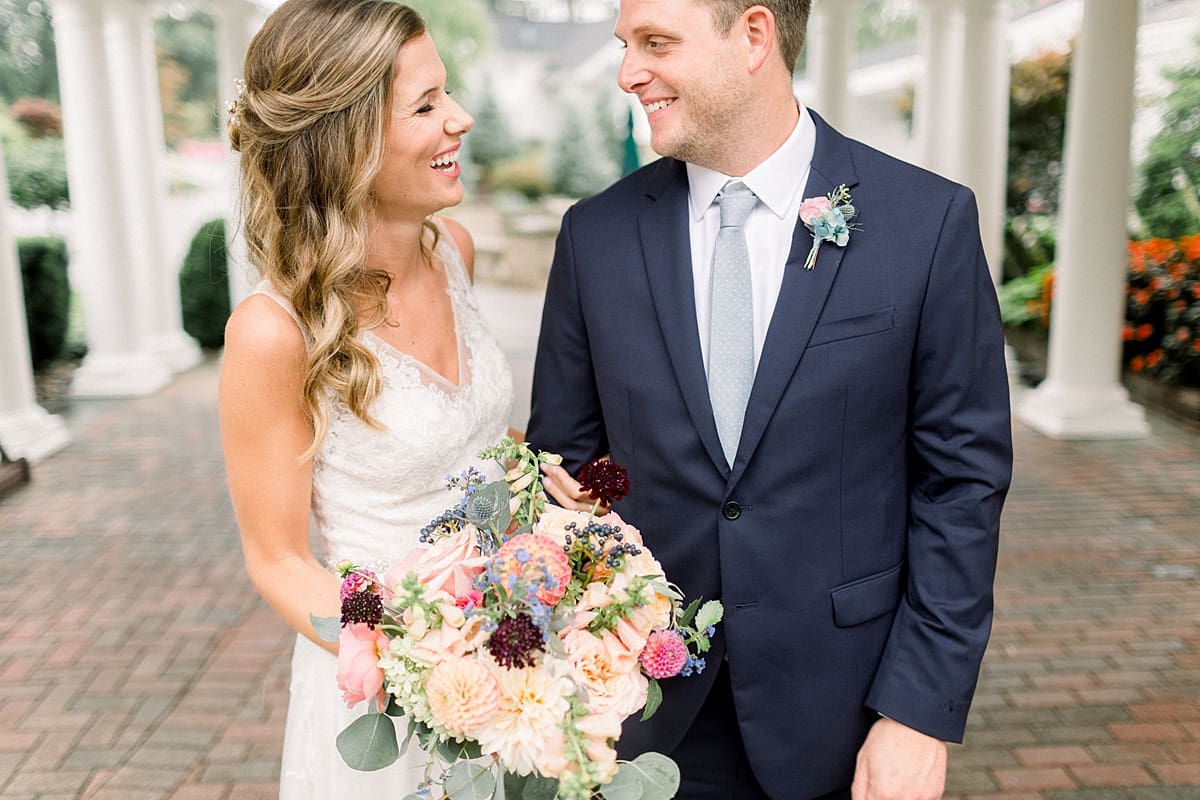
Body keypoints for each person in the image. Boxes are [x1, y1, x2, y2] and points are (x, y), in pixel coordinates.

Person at [529, 0, 1014, 798]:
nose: (628, 72)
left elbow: (962, 486)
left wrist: (918, 712)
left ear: (753, 35)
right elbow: (564, 469)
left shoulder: (926, 224)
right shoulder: (595, 237)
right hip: (642, 718)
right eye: (626, 45)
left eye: (656, 43)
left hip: (847, 711)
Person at [218, 2, 521, 795]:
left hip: (518, 664)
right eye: (425, 105)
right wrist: (416, 655)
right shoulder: (272, 332)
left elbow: (475, 439)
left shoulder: (454, 250)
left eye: (445, 93)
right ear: (345, 141)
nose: (460, 118)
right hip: (386, 693)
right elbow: (278, 559)